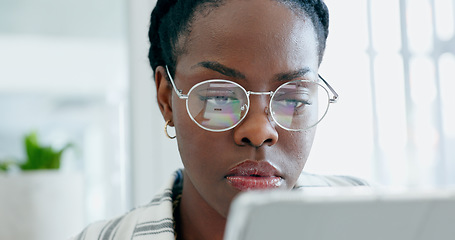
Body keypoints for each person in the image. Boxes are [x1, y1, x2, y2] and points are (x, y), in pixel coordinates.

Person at [72, 0, 367, 239]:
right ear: (166, 99)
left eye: (293, 99)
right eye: (220, 98)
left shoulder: (377, 218)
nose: (259, 130)